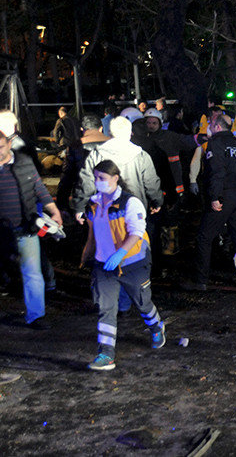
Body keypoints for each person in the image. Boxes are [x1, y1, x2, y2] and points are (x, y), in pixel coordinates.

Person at [81, 159, 165, 371]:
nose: (98, 182)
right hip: (104, 265)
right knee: (105, 308)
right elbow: (93, 234)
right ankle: (105, 354)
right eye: (96, 178)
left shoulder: (130, 203)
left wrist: (120, 253)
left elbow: (136, 232)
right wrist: (87, 255)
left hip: (132, 263)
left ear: (115, 178)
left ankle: (156, 327)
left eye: (103, 178)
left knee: (142, 302)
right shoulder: (93, 205)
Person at [0, 128, 62, 330]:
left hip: (25, 227)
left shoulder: (24, 163)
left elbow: (39, 188)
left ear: (9, 144)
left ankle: (36, 315)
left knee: (32, 272)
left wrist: (54, 211)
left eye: (1, 147)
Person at [190, 115, 236, 291]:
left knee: (205, 237)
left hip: (224, 196)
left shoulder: (216, 144)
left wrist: (214, 197)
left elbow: (217, 172)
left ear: (217, 127)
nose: (209, 128)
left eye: (211, 125)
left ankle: (200, 280)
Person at [72, 117, 163, 224]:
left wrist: (79, 207)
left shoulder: (96, 154)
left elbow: (87, 183)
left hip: (105, 209)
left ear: (109, 132)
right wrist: (157, 201)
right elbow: (151, 182)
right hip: (134, 208)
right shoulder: (141, 155)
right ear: (130, 133)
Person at [52, 106, 83, 212]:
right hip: (78, 144)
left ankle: (62, 204)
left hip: (67, 145)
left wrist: (57, 142)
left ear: (60, 113)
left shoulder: (61, 120)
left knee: (67, 170)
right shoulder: (75, 119)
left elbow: (56, 132)